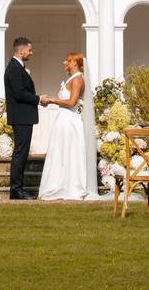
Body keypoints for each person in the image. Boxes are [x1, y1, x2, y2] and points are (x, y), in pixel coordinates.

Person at [37, 52, 89, 201]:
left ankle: (70, 187)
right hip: (63, 119)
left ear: (74, 63)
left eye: (68, 60)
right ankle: (59, 183)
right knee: (60, 151)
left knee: (68, 151)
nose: (64, 62)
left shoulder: (78, 79)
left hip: (69, 121)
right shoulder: (72, 78)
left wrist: (52, 99)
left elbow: (72, 102)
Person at [3, 37, 50, 200]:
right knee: (20, 153)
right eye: (29, 50)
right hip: (21, 117)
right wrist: (38, 99)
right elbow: (19, 93)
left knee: (21, 153)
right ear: (21, 51)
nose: (31, 53)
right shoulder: (15, 68)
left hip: (23, 116)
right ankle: (16, 190)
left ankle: (18, 189)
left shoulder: (18, 67)